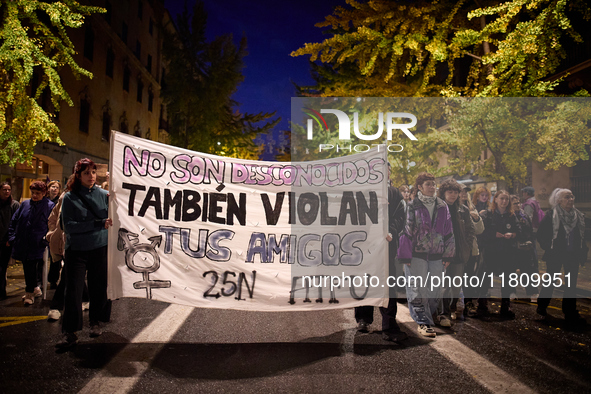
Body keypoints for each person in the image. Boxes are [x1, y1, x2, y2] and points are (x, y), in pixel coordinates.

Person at [57, 159, 113, 349]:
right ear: (78, 175)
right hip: (77, 251)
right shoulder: (69, 198)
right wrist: (97, 224)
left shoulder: (105, 195)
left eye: (93, 172)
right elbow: (69, 227)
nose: (91, 176)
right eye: (86, 173)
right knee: (73, 292)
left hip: (100, 248)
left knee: (99, 287)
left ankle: (95, 321)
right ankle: (70, 332)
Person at [355, 163, 408, 342]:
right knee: (365, 282)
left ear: (389, 172)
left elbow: (401, 217)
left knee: (387, 284)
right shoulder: (363, 192)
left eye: (385, 168)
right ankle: (363, 319)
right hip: (366, 246)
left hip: (386, 246)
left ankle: (389, 323)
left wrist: (391, 231)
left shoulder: (394, 193)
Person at [398, 172, 455, 338]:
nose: (432, 187)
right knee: (417, 289)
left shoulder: (442, 206)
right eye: (428, 184)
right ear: (420, 187)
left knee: (435, 290)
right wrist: (405, 255)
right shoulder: (412, 205)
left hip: (437, 256)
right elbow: (406, 231)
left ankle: (428, 315)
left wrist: (448, 255)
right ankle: (423, 322)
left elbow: (449, 232)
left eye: (433, 184)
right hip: (417, 255)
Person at [536, 188, 588, 327]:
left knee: (571, 285)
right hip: (556, 255)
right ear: (559, 200)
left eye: (571, 196)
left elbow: (583, 237)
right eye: (567, 197)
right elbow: (540, 235)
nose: (570, 199)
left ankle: (570, 311)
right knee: (551, 280)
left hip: (573, 255)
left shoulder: (579, 216)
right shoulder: (551, 215)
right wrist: (549, 247)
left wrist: (583, 252)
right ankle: (542, 305)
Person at [46, 174, 90, 321]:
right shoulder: (65, 197)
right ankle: (85, 298)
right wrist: (53, 233)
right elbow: (53, 217)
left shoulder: (88, 197)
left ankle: (56, 306)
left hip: (79, 242)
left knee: (68, 273)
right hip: (64, 241)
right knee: (71, 272)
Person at [436, 180, 478, 325]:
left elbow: (470, 229)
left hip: (459, 252)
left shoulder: (463, 210)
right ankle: (443, 313)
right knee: (445, 285)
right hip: (443, 253)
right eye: (450, 192)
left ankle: (452, 307)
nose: (453, 195)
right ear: (444, 193)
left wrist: (466, 245)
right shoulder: (438, 208)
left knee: (456, 285)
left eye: (455, 192)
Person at [479, 190, 523, 319]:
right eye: (502, 199)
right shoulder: (488, 214)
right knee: (485, 278)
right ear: (496, 199)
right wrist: (493, 235)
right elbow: (481, 232)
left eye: (506, 199)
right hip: (491, 252)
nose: (504, 202)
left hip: (507, 252)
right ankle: (482, 304)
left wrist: (513, 235)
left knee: (507, 279)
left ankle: (506, 306)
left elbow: (519, 231)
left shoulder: (511, 215)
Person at [8, 181, 55, 305]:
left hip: (38, 242)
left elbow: (52, 224)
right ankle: (34, 288)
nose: (34, 195)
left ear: (44, 193)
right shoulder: (25, 204)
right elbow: (14, 220)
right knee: (28, 266)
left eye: (37, 193)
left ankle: (30, 291)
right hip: (24, 241)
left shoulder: (49, 206)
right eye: (33, 193)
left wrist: (46, 239)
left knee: (32, 266)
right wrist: (13, 237)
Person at [461, 187, 486, 317]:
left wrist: (476, 219)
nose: (464, 194)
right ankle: (450, 306)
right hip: (457, 249)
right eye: (461, 191)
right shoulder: (451, 207)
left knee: (469, 276)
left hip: (471, 249)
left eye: (466, 192)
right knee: (453, 278)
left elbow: (480, 230)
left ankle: (468, 302)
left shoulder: (471, 208)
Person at [510, 195, 539, 302]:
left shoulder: (524, 215)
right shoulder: (508, 216)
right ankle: (511, 291)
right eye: (515, 203)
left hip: (526, 247)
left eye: (518, 202)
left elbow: (530, 231)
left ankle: (532, 292)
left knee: (527, 270)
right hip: (513, 247)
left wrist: (531, 244)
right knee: (511, 271)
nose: (517, 205)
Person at [0, 182, 20, 300]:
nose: (7, 192)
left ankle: (2, 291)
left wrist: (11, 238)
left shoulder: (14, 205)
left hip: (6, 241)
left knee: (2, 267)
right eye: (4, 189)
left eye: (8, 190)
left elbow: (16, 223)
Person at [46, 180, 63, 288]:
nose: (55, 189)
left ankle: (53, 280)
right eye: (53, 187)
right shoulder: (45, 201)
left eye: (57, 187)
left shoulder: (60, 201)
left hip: (58, 234)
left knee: (55, 259)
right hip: (49, 233)